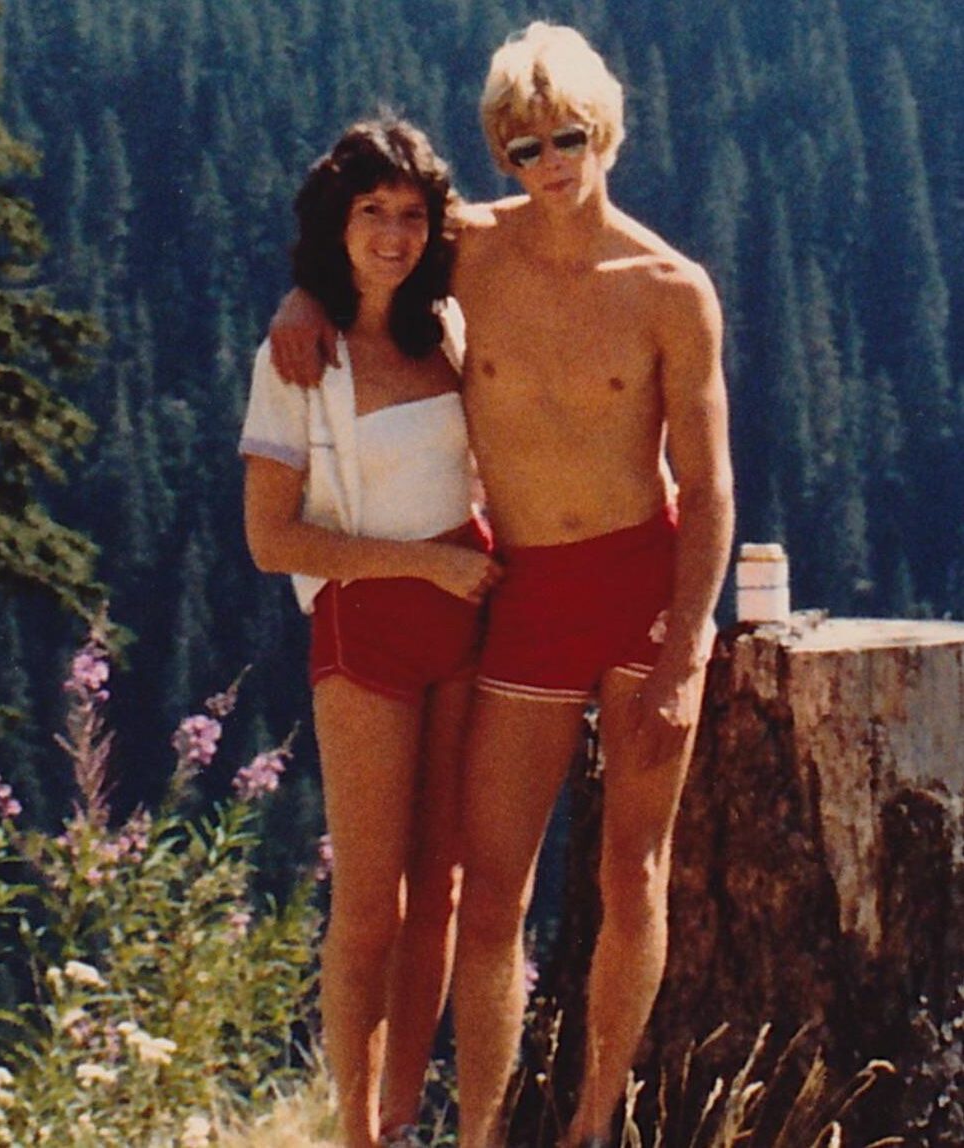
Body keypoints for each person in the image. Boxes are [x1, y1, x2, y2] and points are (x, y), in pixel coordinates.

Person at [269, 22, 735, 1148]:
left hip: (643, 586)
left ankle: (588, 1121)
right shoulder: (466, 247)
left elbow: (713, 488)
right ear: (500, 153)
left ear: (605, 131)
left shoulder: (672, 289)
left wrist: (682, 653)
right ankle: (482, 1131)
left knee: (633, 866)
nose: (549, 166)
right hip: (522, 592)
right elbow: (364, 251)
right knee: (493, 890)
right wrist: (305, 300)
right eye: (521, 148)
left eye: (566, 139)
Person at [240, 116, 501, 1148]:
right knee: (371, 897)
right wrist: (429, 563)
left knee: (438, 883)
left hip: (469, 613)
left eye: (409, 213)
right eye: (369, 213)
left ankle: (398, 1117)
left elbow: (535, 215)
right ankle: (349, 1124)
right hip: (369, 621)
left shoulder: (453, 325)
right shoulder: (301, 353)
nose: (392, 234)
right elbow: (270, 538)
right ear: (333, 225)